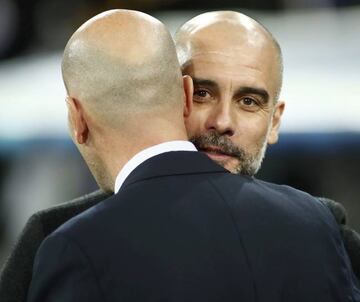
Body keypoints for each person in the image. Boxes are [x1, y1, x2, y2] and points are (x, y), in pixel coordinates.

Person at [1, 10, 359, 302]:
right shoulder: (54, 237)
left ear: (275, 121)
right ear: (178, 96)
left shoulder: (324, 228)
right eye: (204, 93)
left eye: (249, 102)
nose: (222, 122)